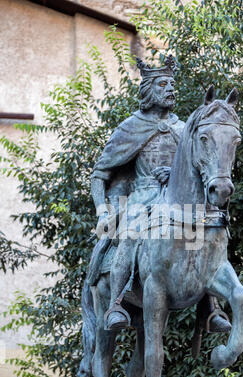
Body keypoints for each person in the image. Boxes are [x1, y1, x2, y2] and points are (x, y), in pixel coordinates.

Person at [88, 55, 231, 333]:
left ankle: (211, 307)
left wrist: (176, 174)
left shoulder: (183, 128)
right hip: (141, 198)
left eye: (172, 84)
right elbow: (99, 174)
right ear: (148, 91)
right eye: (163, 84)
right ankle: (117, 303)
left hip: (177, 199)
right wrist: (102, 210)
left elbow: (198, 166)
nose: (170, 89)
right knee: (130, 234)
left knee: (205, 233)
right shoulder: (131, 127)